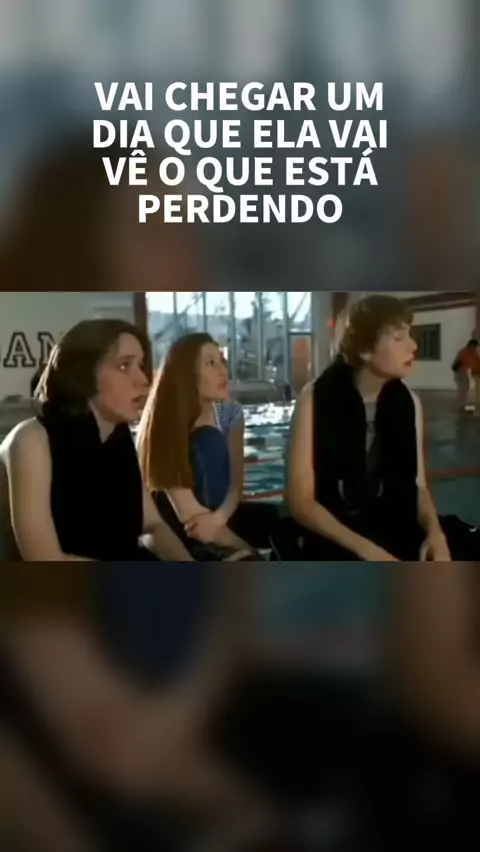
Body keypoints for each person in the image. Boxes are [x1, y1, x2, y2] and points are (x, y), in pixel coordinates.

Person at [280, 295, 479, 562]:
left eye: (410, 334)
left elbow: (417, 486)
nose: (413, 345)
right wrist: (368, 551)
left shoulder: (408, 401)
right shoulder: (314, 398)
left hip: (392, 522)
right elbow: (302, 503)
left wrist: (435, 533)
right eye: (398, 338)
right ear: (365, 351)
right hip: (336, 530)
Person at [0, 318, 193, 561]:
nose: (143, 379)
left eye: (140, 365)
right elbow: (44, 559)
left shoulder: (118, 436)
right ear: (83, 373)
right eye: (124, 366)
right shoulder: (32, 439)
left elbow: (152, 526)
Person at [137, 332, 278, 560]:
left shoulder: (230, 413)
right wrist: (251, 552)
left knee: (279, 520)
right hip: (183, 532)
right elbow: (192, 520)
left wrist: (219, 518)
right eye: (211, 363)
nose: (223, 371)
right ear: (187, 375)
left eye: (222, 361)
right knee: (209, 440)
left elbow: (236, 486)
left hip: (216, 516)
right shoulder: (167, 423)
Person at [451, 337, 480, 413]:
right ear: (471, 346)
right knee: (462, 389)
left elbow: (476, 361)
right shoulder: (464, 352)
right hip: (460, 372)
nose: (475, 348)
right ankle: (460, 406)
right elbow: (458, 364)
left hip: (464, 371)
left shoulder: (472, 352)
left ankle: (462, 405)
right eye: (475, 347)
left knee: (466, 388)